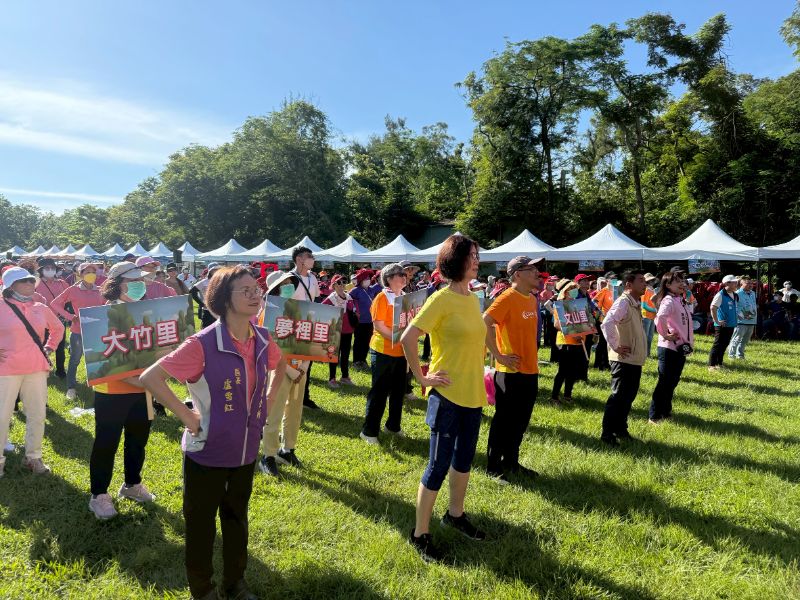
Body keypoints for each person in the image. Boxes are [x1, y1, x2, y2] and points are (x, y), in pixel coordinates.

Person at [141, 265, 286, 600]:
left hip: (245, 449)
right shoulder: (202, 344)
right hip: (206, 451)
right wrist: (187, 417)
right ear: (223, 298)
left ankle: (235, 584)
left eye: (257, 289)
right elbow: (151, 378)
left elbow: (281, 365)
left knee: (237, 519)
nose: (255, 295)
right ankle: (203, 589)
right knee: (201, 525)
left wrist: (269, 399)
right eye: (245, 290)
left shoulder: (262, 338)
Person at [401, 234, 487, 562]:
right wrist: (422, 378)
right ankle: (420, 533)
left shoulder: (473, 299)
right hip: (447, 396)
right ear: (455, 260)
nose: (476, 261)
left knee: (463, 461)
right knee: (438, 465)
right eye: (471, 255)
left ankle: (455, 514)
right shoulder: (441, 298)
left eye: (477, 255)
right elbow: (408, 338)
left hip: (473, 394)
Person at [87, 261, 156, 520]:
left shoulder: (146, 312)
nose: (139, 285)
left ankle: (132, 484)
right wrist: (144, 381)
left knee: (138, 440)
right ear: (117, 284)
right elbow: (105, 362)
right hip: (112, 391)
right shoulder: (102, 315)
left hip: (143, 389)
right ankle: (99, 494)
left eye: (141, 281)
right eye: (133, 281)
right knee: (107, 442)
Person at [0, 267, 64, 477]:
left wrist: (50, 347)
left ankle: (33, 457)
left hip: (36, 367)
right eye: (24, 280)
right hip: (6, 369)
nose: (30, 283)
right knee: (2, 415)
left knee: (37, 414)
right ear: (10, 286)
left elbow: (58, 328)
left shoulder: (40, 307)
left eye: (30, 280)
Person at [483, 256, 541, 482]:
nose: (537, 273)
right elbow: (485, 322)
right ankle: (493, 466)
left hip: (530, 369)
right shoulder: (507, 297)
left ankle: (511, 462)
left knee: (521, 421)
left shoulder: (532, 299)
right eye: (531, 269)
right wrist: (498, 356)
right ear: (517, 274)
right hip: (510, 372)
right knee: (504, 421)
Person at [360, 263, 409, 444]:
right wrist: (399, 338)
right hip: (383, 350)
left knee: (398, 391)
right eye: (399, 274)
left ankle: (393, 426)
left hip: (401, 351)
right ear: (389, 278)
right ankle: (369, 431)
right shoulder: (382, 297)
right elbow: (379, 326)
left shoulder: (405, 297)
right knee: (379, 392)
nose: (404, 276)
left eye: (404, 274)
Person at [600, 269, 648, 446]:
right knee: (618, 397)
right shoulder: (623, 302)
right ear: (629, 284)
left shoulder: (634, 302)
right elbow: (607, 322)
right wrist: (616, 346)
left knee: (627, 397)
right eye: (641, 280)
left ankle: (620, 429)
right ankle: (607, 434)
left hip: (632, 358)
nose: (645, 284)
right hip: (623, 358)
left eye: (645, 281)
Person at [50, 262, 103, 401]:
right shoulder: (73, 290)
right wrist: (70, 317)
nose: (91, 275)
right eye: (87, 272)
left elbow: (105, 306)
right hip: (78, 331)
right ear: (80, 274)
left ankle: (96, 384)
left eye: (93, 272)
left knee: (96, 358)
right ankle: (71, 387)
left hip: (97, 330)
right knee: (75, 359)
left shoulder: (100, 290)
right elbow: (55, 303)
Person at [649, 271, 694, 423]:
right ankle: (654, 416)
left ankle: (665, 411)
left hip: (680, 347)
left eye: (682, 281)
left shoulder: (679, 299)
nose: (682, 284)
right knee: (664, 382)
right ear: (668, 285)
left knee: (672, 382)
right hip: (669, 348)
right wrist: (665, 334)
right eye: (678, 281)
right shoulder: (668, 300)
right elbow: (660, 317)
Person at [287, 247, 321, 410]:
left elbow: (317, 298)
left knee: (307, 363)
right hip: (293, 328)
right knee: (293, 363)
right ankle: (289, 397)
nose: (312, 259)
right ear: (299, 259)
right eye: (309, 256)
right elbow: (283, 302)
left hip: (309, 325)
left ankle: (304, 397)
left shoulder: (313, 278)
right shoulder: (289, 279)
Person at [550, 279, 588, 405]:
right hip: (565, 342)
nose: (574, 292)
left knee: (572, 371)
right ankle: (554, 397)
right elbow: (557, 324)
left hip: (578, 342)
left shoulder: (579, 305)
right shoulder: (560, 305)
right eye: (571, 290)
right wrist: (573, 333)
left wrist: (585, 332)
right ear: (565, 292)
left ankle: (567, 395)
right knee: (563, 371)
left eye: (575, 290)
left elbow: (583, 322)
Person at [34, 257, 70, 378]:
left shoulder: (62, 283)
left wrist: (66, 313)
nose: (50, 270)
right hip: (41, 320)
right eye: (47, 268)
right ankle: (43, 369)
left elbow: (69, 300)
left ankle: (60, 371)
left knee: (60, 347)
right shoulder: (35, 284)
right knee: (42, 345)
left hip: (59, 319)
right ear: (41, 270)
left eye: (52, 268)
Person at [322, 274, 356, 387]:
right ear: (334, 285)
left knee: (345, 355)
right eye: (339, 283)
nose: (342, 285)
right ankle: (332, 378)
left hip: (348, 330)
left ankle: (345, 377)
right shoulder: (330, 299)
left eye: (343, 283)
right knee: (333, 355)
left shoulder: (349, 297)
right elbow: (321, 310)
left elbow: (354, 311)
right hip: (335, 331)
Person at [350, 269, 380, 369]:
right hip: (359, 321)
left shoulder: (371, 289)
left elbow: (380, 287)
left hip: (370, 320)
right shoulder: (355, 290)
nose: (368, 280)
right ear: (361, 280)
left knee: (367, 341)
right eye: (366, 278)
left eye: (369, 278)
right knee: (358, 341)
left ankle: (363, 360)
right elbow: (348, 300)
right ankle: (356, 361)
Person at [708, 275, 739, 371]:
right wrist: (716, 321)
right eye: (734, 282)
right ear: (727, 283)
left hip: (731, 324)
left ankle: (719, 363)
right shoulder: (720, 295)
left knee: (724, 344)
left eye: (736, 282)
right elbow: (713, 308)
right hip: (722, 325)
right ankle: (711, 365)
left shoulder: (735, 295)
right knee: (718, 344)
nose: (736, 284)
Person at [591, 271, 617, 371]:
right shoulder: (604, 291)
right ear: (607, 281)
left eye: (615, 279)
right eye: (612, 279)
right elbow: (594, 302)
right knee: (603, 342)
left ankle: (607, 363)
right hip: (604, 320)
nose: (614, 280)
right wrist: (602, 312)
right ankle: (599, 364)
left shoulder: (616, 290)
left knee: (610, 342)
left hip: (614, 320)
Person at [729, 275, 757, 360]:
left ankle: (740, 355)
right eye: (748, 283)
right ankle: (731, 355)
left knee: (745, 339)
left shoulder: (753, 293)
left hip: (752, 320)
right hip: (741, 320)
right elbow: (733, 307)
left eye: (751, 283)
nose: (750, 285)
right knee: (737, 338)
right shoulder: (737, 293)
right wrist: (742, 314)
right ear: (741, 284)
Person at [191, 263, 221, 330]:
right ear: (210, 271)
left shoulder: (222, 281)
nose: (216, 271)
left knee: (219, 330)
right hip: (208, 310)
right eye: (214, 270)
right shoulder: (204, 282)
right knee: (206, 330)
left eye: (217, 269)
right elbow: (192, 291)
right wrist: (201, 304)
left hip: (219, 310)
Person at [641, 273, 658, 357]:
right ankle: (642, 353)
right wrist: (655, 310)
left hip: (652, 316)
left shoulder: (652, 290)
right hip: (646, 316)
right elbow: (643, 305)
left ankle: (647, 354)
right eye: (651, 280)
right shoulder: (645, 290)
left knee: (650, 337)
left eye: (653, 280)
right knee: (645, 337)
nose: (652, 282)